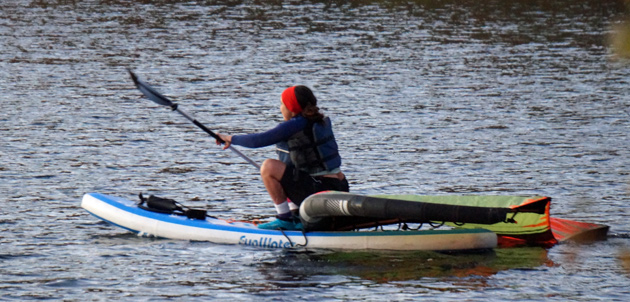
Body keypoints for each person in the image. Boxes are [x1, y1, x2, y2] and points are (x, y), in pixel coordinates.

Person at [216, 85, 349, 230]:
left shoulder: (296, 124)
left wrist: (230, 138)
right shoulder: (318, 121)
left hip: (320, 192)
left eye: (282, 104)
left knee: (269, 167)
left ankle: (284, 219)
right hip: (340, 187)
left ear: (291, 108)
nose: (280, 108)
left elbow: (257, 141)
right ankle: (296, 215)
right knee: (286, 164)